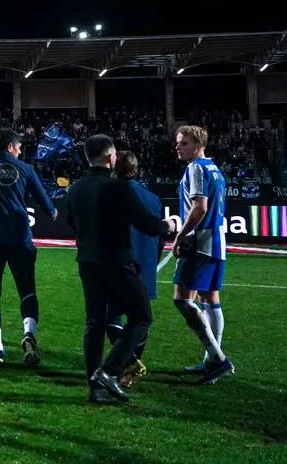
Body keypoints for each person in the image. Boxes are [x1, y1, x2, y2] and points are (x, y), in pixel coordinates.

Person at [65, 134, 173, 403]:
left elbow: (72, 224)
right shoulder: (117, 186)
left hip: (87, 262)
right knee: (141, 316)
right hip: (116, 261)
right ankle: (110, 371)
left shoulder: (75, 189)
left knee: (95, 323)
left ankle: (95, 387)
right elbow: (146, 224)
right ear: (111, 157)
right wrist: (169, 225)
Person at [0, 129, 57, 365]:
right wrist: (53, 211)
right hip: (20, 237)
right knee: (27, 289)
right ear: (10, 147)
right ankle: (28, 333)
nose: (20, 152)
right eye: (19, 148)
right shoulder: (26, 169)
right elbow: (47, 206)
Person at [171, 125, 235, 384]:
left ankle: (218, 358)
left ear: (198, 145)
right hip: (217, 242)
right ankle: (212, 361)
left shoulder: (195, 168)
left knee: (182, 299)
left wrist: (180, 236)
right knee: (211, 300)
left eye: (183, 143)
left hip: (200, 243)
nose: (178, 147)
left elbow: (199, 208)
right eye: (178, 142)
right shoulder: (215, 169)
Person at [105, 151, 163, 388]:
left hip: (119, 262)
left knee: (111, 316)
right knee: (140, 317)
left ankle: (128, 362)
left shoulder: (111, 194)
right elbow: (158, 235)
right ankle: (132, 363)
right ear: (136, 170)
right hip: (146, 263)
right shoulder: (153, 199)